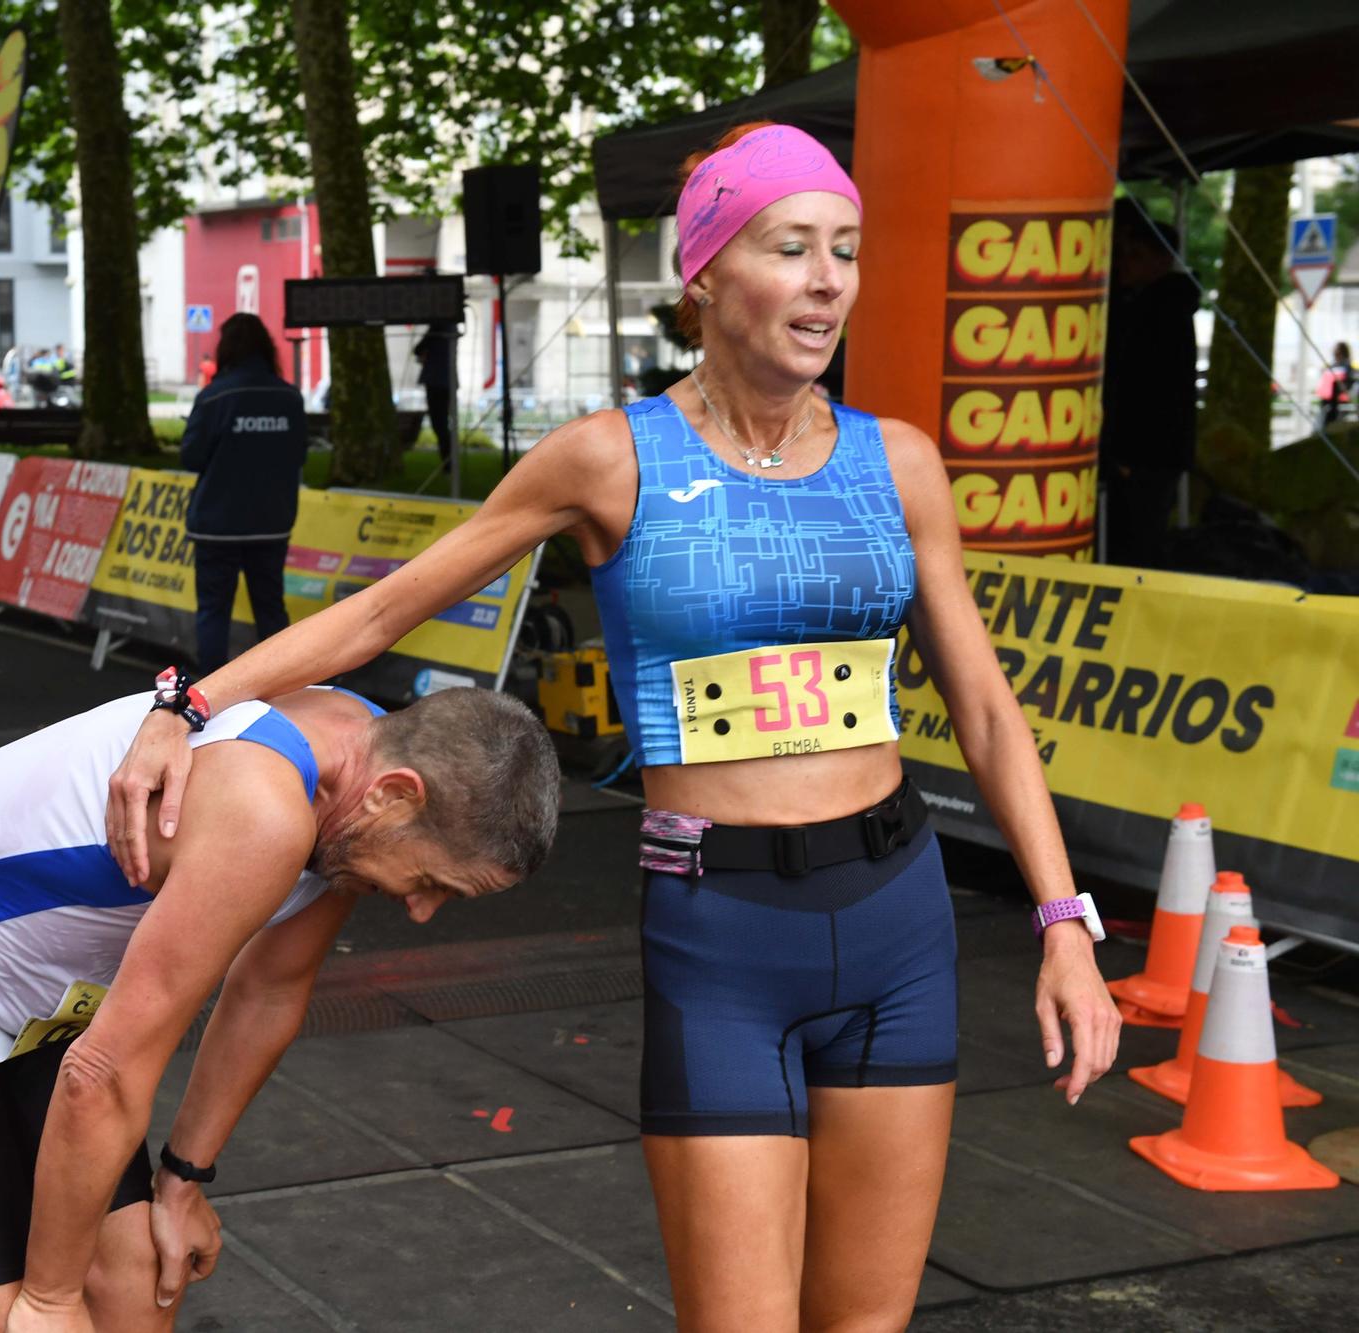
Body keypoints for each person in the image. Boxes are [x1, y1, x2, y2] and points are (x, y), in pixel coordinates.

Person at [105, 122, 1122, 1332]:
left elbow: (988, 713)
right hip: (723, 937)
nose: (825, 281)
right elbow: (379, 610)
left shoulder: (895, 464)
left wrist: (1064, 923)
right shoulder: (607, 460)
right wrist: (187, 705)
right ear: (703, 276)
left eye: (844, 251)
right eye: (789, 246)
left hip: (896, 917)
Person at [0, 682, 558, 1332]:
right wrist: (51, 1293)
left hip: (43, 1002)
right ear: (397, 792)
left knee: (139, 1289)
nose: (421, 910)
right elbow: (100, 1073)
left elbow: (269, 988)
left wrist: (182, 1178)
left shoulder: (358, 779)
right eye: (434, 881)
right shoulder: (266, 809)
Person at [180, 313, 307, 679]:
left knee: (213, 611)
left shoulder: (214, 397)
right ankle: (284, 685)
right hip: (271, 522)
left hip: (217, 524)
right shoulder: (289, 398)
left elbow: (192, 457)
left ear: (226, 349)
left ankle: (210, 691)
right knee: (270, 610)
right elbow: (298, 455)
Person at [1098, 196, 1199, 568]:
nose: (1123, 263)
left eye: (1134, 255)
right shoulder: (1150, 303)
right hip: (1146, 453)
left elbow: (1143, 388)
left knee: (1138, 545)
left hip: (1146, 454)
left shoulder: (1160, 309)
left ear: (1161, 260)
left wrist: (1125, 455)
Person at [412, 322, 457, 466]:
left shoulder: (438, 327)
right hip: (447, 380)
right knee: (443, 422)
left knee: (439, 422)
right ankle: (448, 460)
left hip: (436, 381)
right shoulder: (451, 327)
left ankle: (448, 460)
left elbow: (418, 349)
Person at [1316, 341, 1353, 431]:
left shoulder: (1347, 367)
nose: (1336, 355)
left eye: (1338, 352)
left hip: (1339, 402)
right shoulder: (1331, 366)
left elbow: (1348, 384)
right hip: (1327, 401)